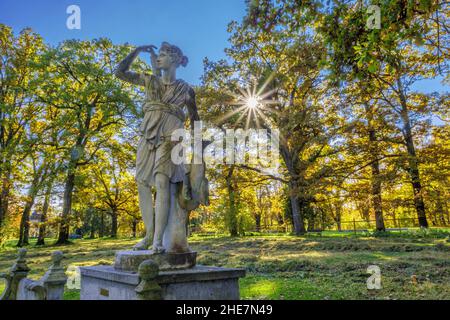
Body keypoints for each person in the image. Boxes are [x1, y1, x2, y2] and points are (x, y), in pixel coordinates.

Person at [115, 42, 199, 252]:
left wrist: (198, 147)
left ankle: (158, 241)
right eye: (158, 55)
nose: (158, 58)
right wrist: (135, 52)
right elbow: (119, 72)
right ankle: (149, 234)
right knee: (142, 182)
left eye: (163, 55)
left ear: (175, 60)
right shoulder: (150, 80)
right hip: (148, 134)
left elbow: (196, 119)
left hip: (172, 135)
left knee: (162, 181)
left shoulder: (185, 90)